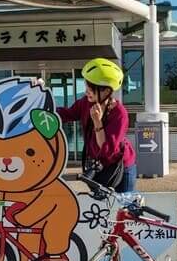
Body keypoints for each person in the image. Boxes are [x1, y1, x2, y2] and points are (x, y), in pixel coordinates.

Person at [56, 58, 136, 192]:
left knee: (124, 206)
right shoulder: (85, 103)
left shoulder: (119, 113)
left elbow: (107, 150)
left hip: (120, 168)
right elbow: (67, 114)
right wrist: (41, 102)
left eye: (91, 88)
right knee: (99, 207)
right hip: (99, 166)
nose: (86, 90)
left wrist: (97, 122)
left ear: (106, 91)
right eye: (86, 85)